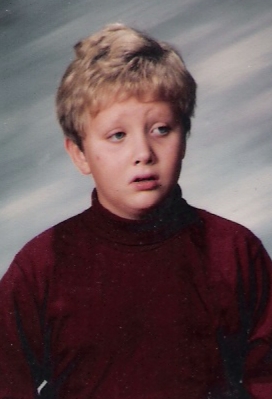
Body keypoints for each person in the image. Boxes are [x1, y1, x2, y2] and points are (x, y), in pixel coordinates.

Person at [0, 23, 271, 399]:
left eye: (161, 129)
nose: (143, 153)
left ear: (185, 136)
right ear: (79, 154)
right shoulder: (42, 266)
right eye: (117, 136)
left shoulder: (234, 251)